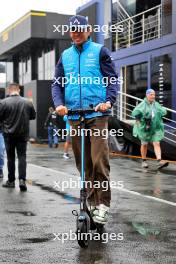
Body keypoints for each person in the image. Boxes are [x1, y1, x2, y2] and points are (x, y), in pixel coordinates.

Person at [52, 15, 118, 224]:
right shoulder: (65, 55)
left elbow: (112, 79)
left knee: (99, 160)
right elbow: (57, 84)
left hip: (97, 114)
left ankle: (103, 205)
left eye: (80, 29)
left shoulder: (100, 51)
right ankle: (91, 201)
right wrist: (59, 104)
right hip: (74, 115)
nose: (76, 33)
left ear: (88, 30)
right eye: (72, 30)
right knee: (84, 165)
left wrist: (109, 101)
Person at [0, 83, 36, 191]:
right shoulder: (27, 102)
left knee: (10, 157)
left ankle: (11, 181)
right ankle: (22, 180)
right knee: (22, 157)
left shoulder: (3, 103)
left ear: (9, 91)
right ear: (19, 90)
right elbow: (33, 116)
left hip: (8, 134)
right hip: (22, 134)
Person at [132, 88, 169, 169]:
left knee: (157, 143)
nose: (153, 96)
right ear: (147, 95)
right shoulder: (142, 105)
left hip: (155, 128)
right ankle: (144, 161)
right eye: (151, 94)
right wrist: (139, 126)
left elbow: (163, 111)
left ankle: (159, 161)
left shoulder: (156, 104)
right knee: (144, 144)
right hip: (144, 128)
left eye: (154, 95)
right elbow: (136, 114)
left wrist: (162, 111)